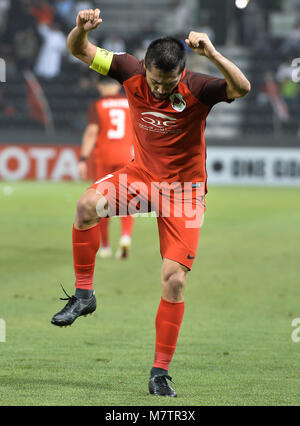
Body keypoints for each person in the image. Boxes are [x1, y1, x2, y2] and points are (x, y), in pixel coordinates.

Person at [51, 8, 251, 397]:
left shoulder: (199, 87)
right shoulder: (127, 70)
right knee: (85, 206)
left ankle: (159, 372)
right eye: (156, 82)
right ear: (144, 68)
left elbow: (242, 88)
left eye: (169, 82)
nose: (161, 90)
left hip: (184, 194)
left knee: (174, 281)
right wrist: (79, 28)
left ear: (182, 72)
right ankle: (84, 296)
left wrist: (211, 53)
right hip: (141, 179)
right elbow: (80, 50)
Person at [78, 76, 135, 259]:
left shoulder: (97, 104)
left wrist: (83, 158)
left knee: (102, 201)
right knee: (126, 199)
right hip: (126, 156)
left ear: (100, 86)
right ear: (118, 86)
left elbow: (92, 132)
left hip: (103, 157)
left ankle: (105, 246)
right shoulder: (131, 103)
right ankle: (125, 236)